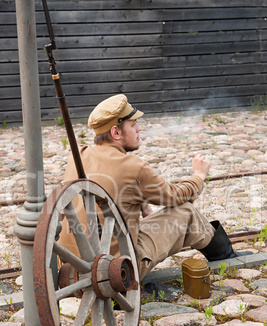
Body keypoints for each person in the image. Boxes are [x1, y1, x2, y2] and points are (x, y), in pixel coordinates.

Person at [59, 94, 250, 280]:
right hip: (115, 271)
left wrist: (141, 203)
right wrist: (198, 176)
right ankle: (225, 257)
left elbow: (107, 185)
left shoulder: (78, 156)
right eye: (133, 125)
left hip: (73, 269)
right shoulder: (133, 166)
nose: (139, 129)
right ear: (116, 132)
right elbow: (175, 196)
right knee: (186, 212)